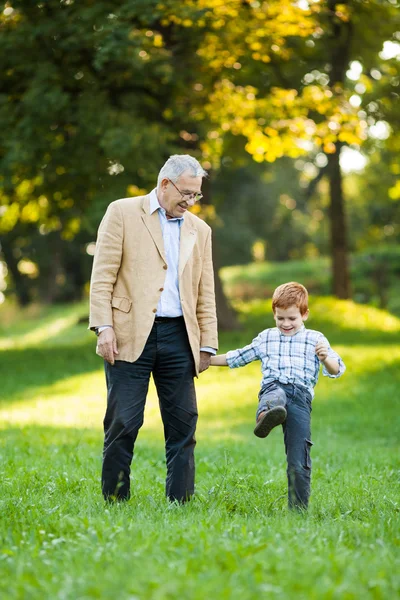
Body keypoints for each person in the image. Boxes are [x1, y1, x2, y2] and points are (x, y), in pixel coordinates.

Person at [89, 154, 218, 503]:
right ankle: (116, 501)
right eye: (186, 193)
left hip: (180, 337)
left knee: (183, 425)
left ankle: (180, 502)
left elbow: (205, 291)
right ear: (165, 184)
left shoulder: (200, 231)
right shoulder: (122, 212)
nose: (191, 202)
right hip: (129, 333)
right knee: (123, 423)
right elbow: (102, 276)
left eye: (196, 196)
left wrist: (208, 343)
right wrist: (104, 327)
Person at [210, 282, 345, 510]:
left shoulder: (315, 339)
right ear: (274, 314)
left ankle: (298, 510)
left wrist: (325, 359)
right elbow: (238, 356)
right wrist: (206, 361)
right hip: (274, 388)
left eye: (292, 318)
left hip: (301, 398)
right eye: (280, 318)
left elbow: (336, 369)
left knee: (298, 460)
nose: (285, 324)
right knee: (275, 395)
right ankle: (267, 415)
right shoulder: (266, 338)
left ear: (304, 314)